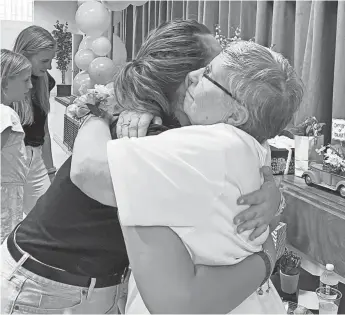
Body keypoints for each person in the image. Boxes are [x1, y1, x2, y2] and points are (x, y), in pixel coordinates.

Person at [0, 20, 282, 314]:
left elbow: (252, 156)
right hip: (45, 284)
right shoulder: (146, 131)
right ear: (191, 78)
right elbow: (88, 172)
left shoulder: (188, 132)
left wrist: (272, 191)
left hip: (90, 284)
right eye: (214, 69)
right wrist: (98, 113)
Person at [76, 41, 303, 313]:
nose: (192, 76)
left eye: (207, 73)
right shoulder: (252, 143)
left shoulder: (213, 145)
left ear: (236, 113)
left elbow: (88, 170)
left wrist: (94, 113)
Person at [13, 25, 57, 214]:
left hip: (36, 158)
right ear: (24, 55)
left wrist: (50, 169)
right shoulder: (5, 83)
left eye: (51, 60)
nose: (49, 67)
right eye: (44, 61)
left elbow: (44, 131)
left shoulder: (46, 81)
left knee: (45, 215)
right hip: (10, 158)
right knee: (7, 222)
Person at [1, 49, 33, 243]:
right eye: (25, 80)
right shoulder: (5, 114)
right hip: (5, 191)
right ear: (5, 82)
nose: (30, 86)